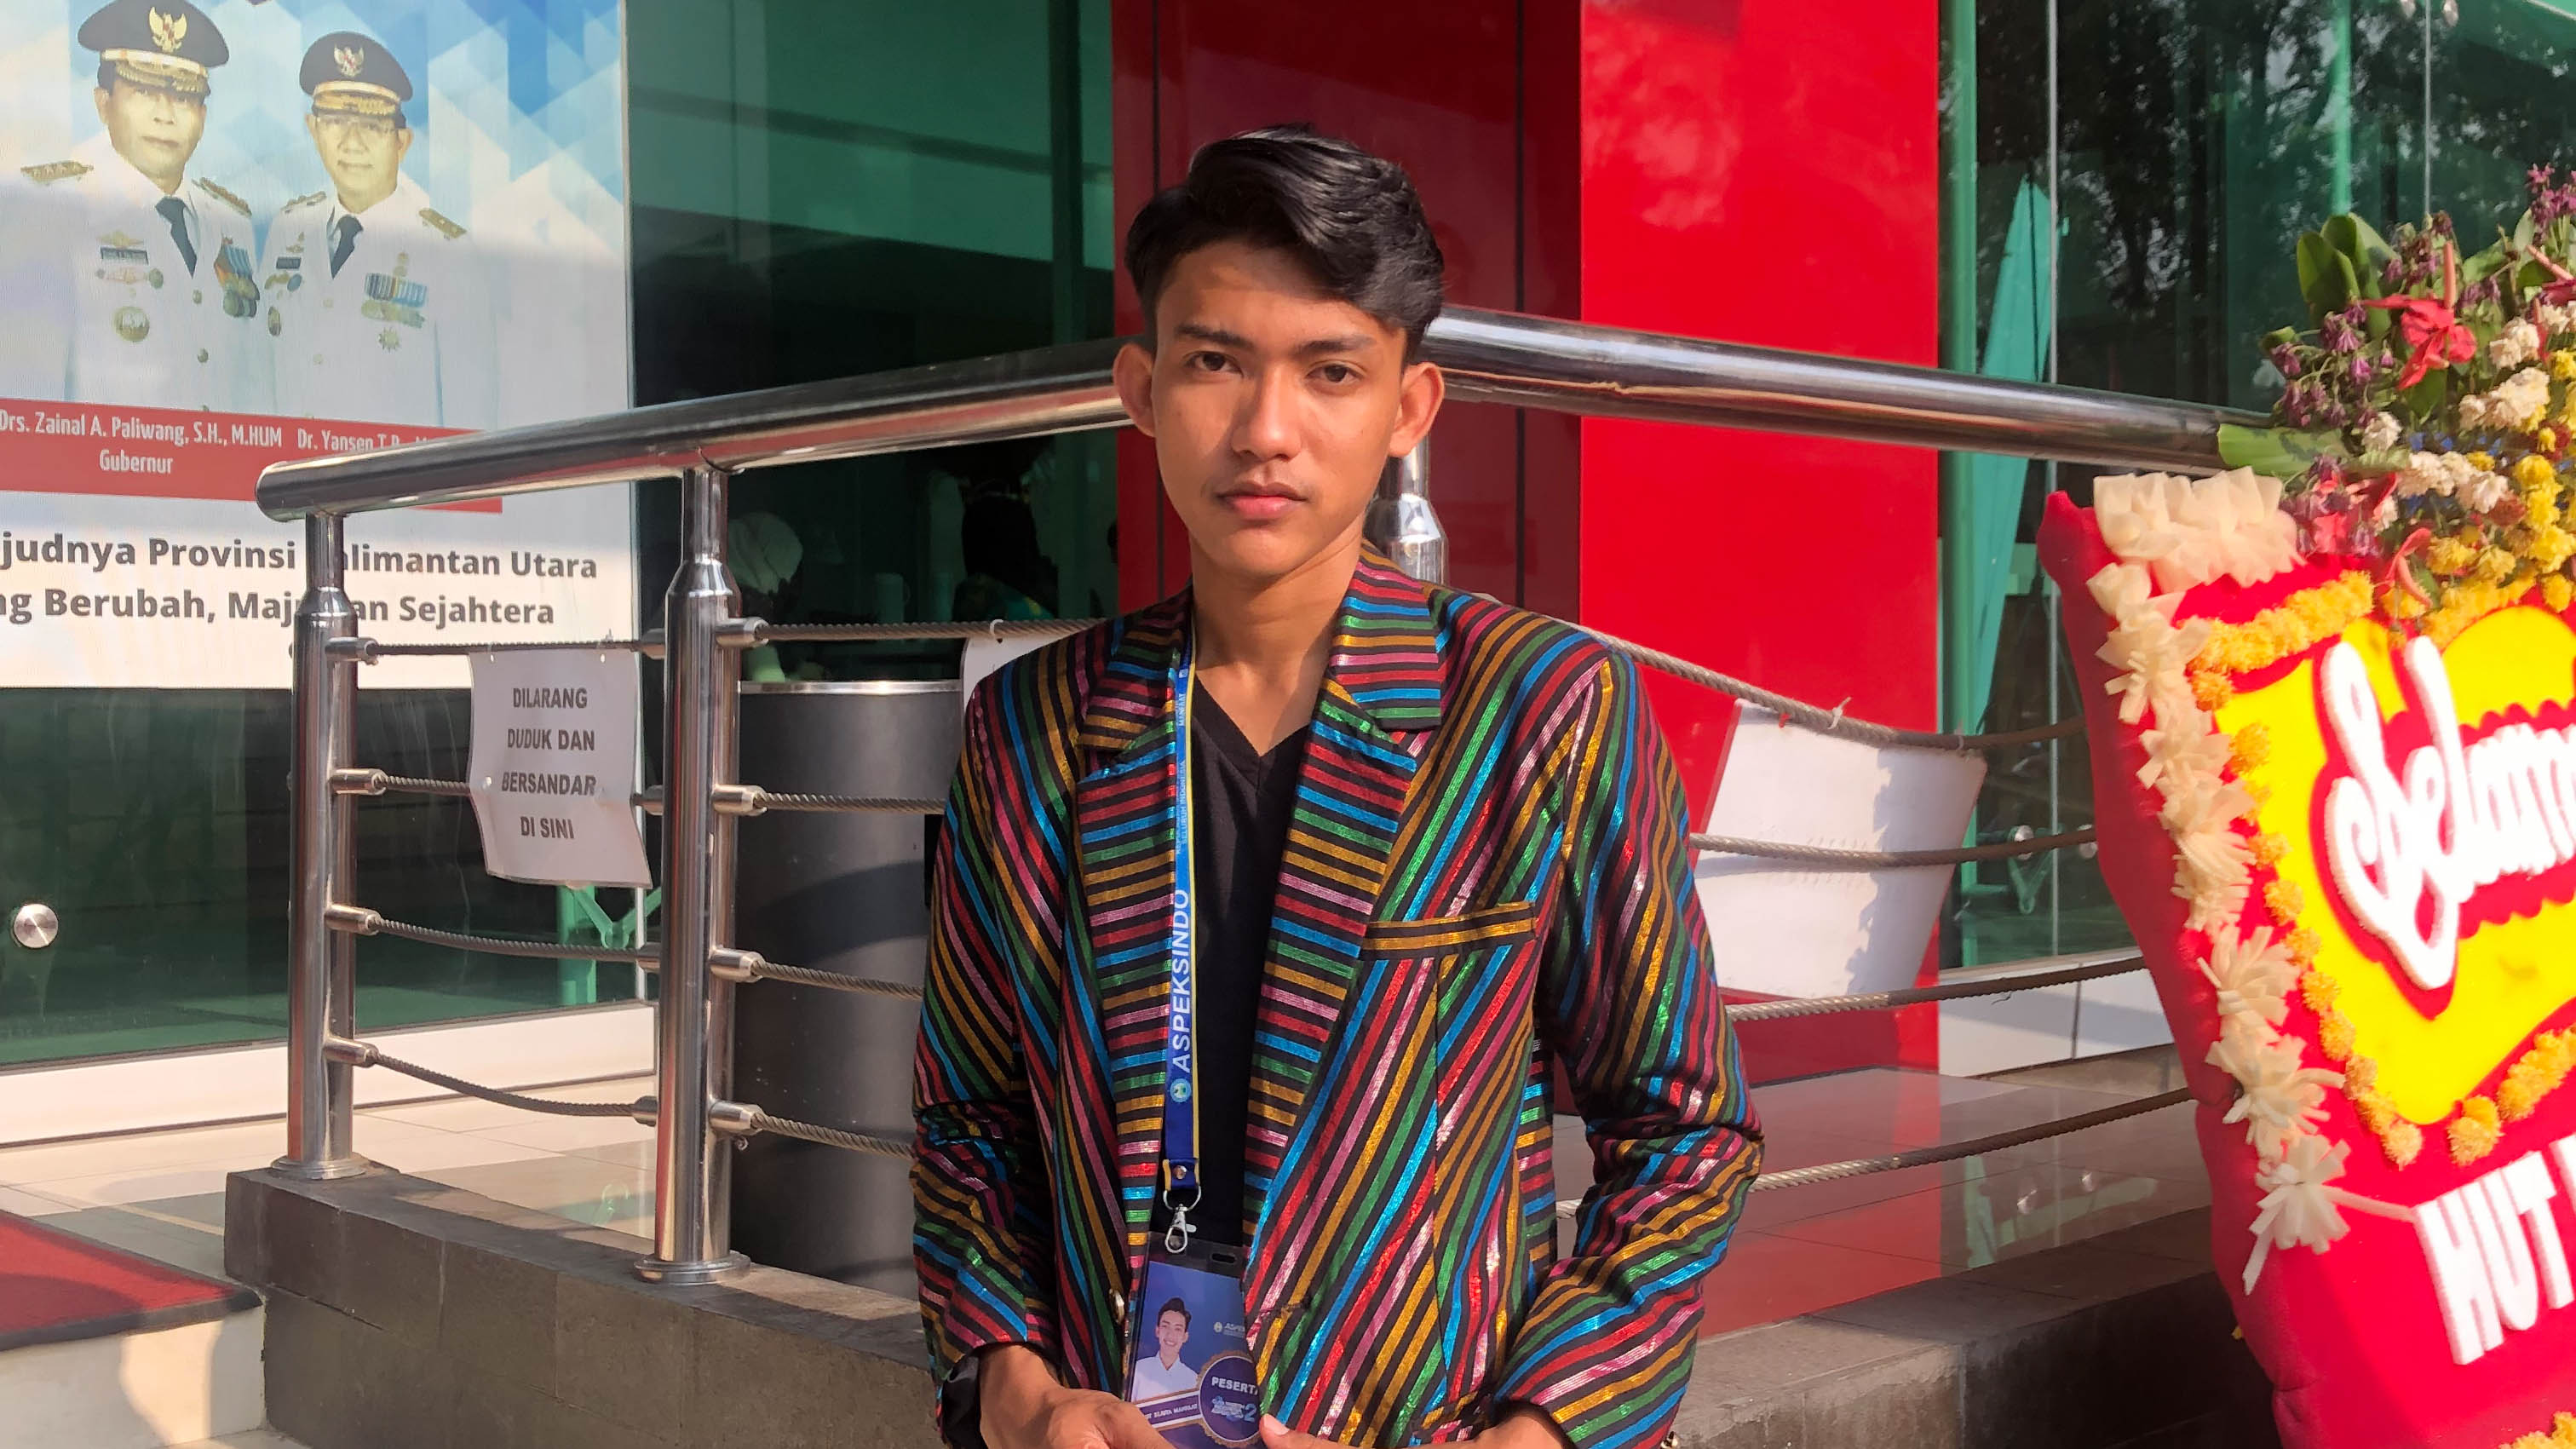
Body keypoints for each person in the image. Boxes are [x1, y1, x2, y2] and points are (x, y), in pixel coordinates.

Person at [913, 126, 1761, 1449]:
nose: (1266, 431)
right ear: (1141, 388)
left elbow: (1683, 1130)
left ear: (1409, 407)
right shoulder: (1034, 730)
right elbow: (969, 1116)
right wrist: (1012, 1388)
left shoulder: (1539, 710)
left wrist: (1538, 1434)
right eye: (1215, 363)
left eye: (1330, 372)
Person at [0, 0, 268, 411]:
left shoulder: (231, 223)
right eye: (144, 91)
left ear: (203, 116)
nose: (165, 115)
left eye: (184, 97)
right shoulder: (48, 211)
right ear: (103, 103)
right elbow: (26, 403)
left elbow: (252, 388)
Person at [259, 31, 495, 428]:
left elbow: (471, 419)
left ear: (402, 142)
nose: (351, 143)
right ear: (313, 130)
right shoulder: (288, 230)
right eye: (336, 121)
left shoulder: (446, 252)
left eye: (371, 125)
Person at [1128, 1300, 1201, 1402]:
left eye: (1178, 1329)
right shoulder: (1138, 1369)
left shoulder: (1194, 1381)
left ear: (1185, 1337)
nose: (1170, 1335)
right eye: (1165, 1326)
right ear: (1157, 1331)